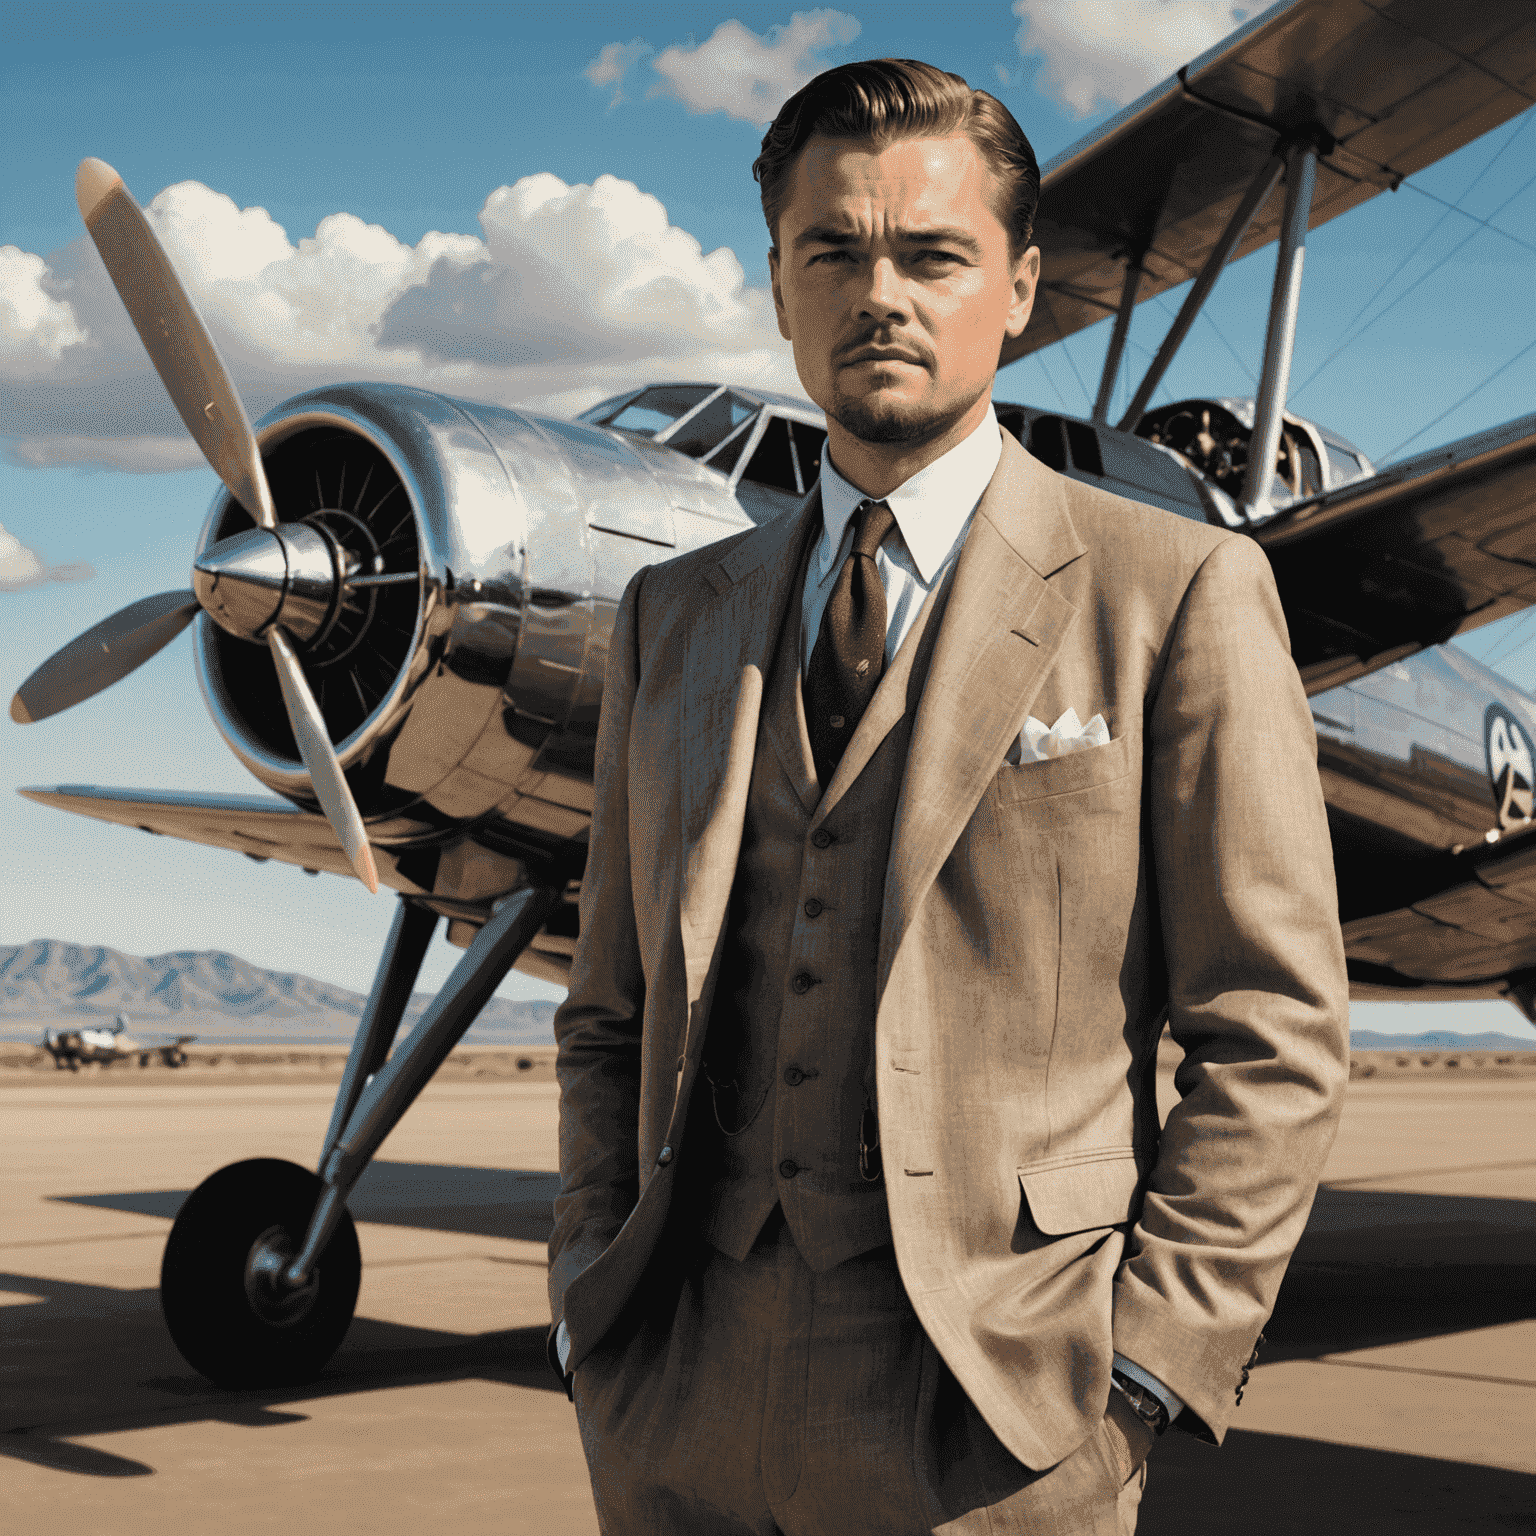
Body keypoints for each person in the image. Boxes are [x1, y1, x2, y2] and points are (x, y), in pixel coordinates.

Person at [548, 57, 1350, 1535]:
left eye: (933, 254)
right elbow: (609, 1010)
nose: (881, 295)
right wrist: (589, 1297)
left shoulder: (1177, 592)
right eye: (833, 251)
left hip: (1002, 1419)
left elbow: (1276, 1031)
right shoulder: (673, 615)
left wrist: (1146, 1372)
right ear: (781, 286)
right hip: (672, 1399)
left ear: (1022, 285)